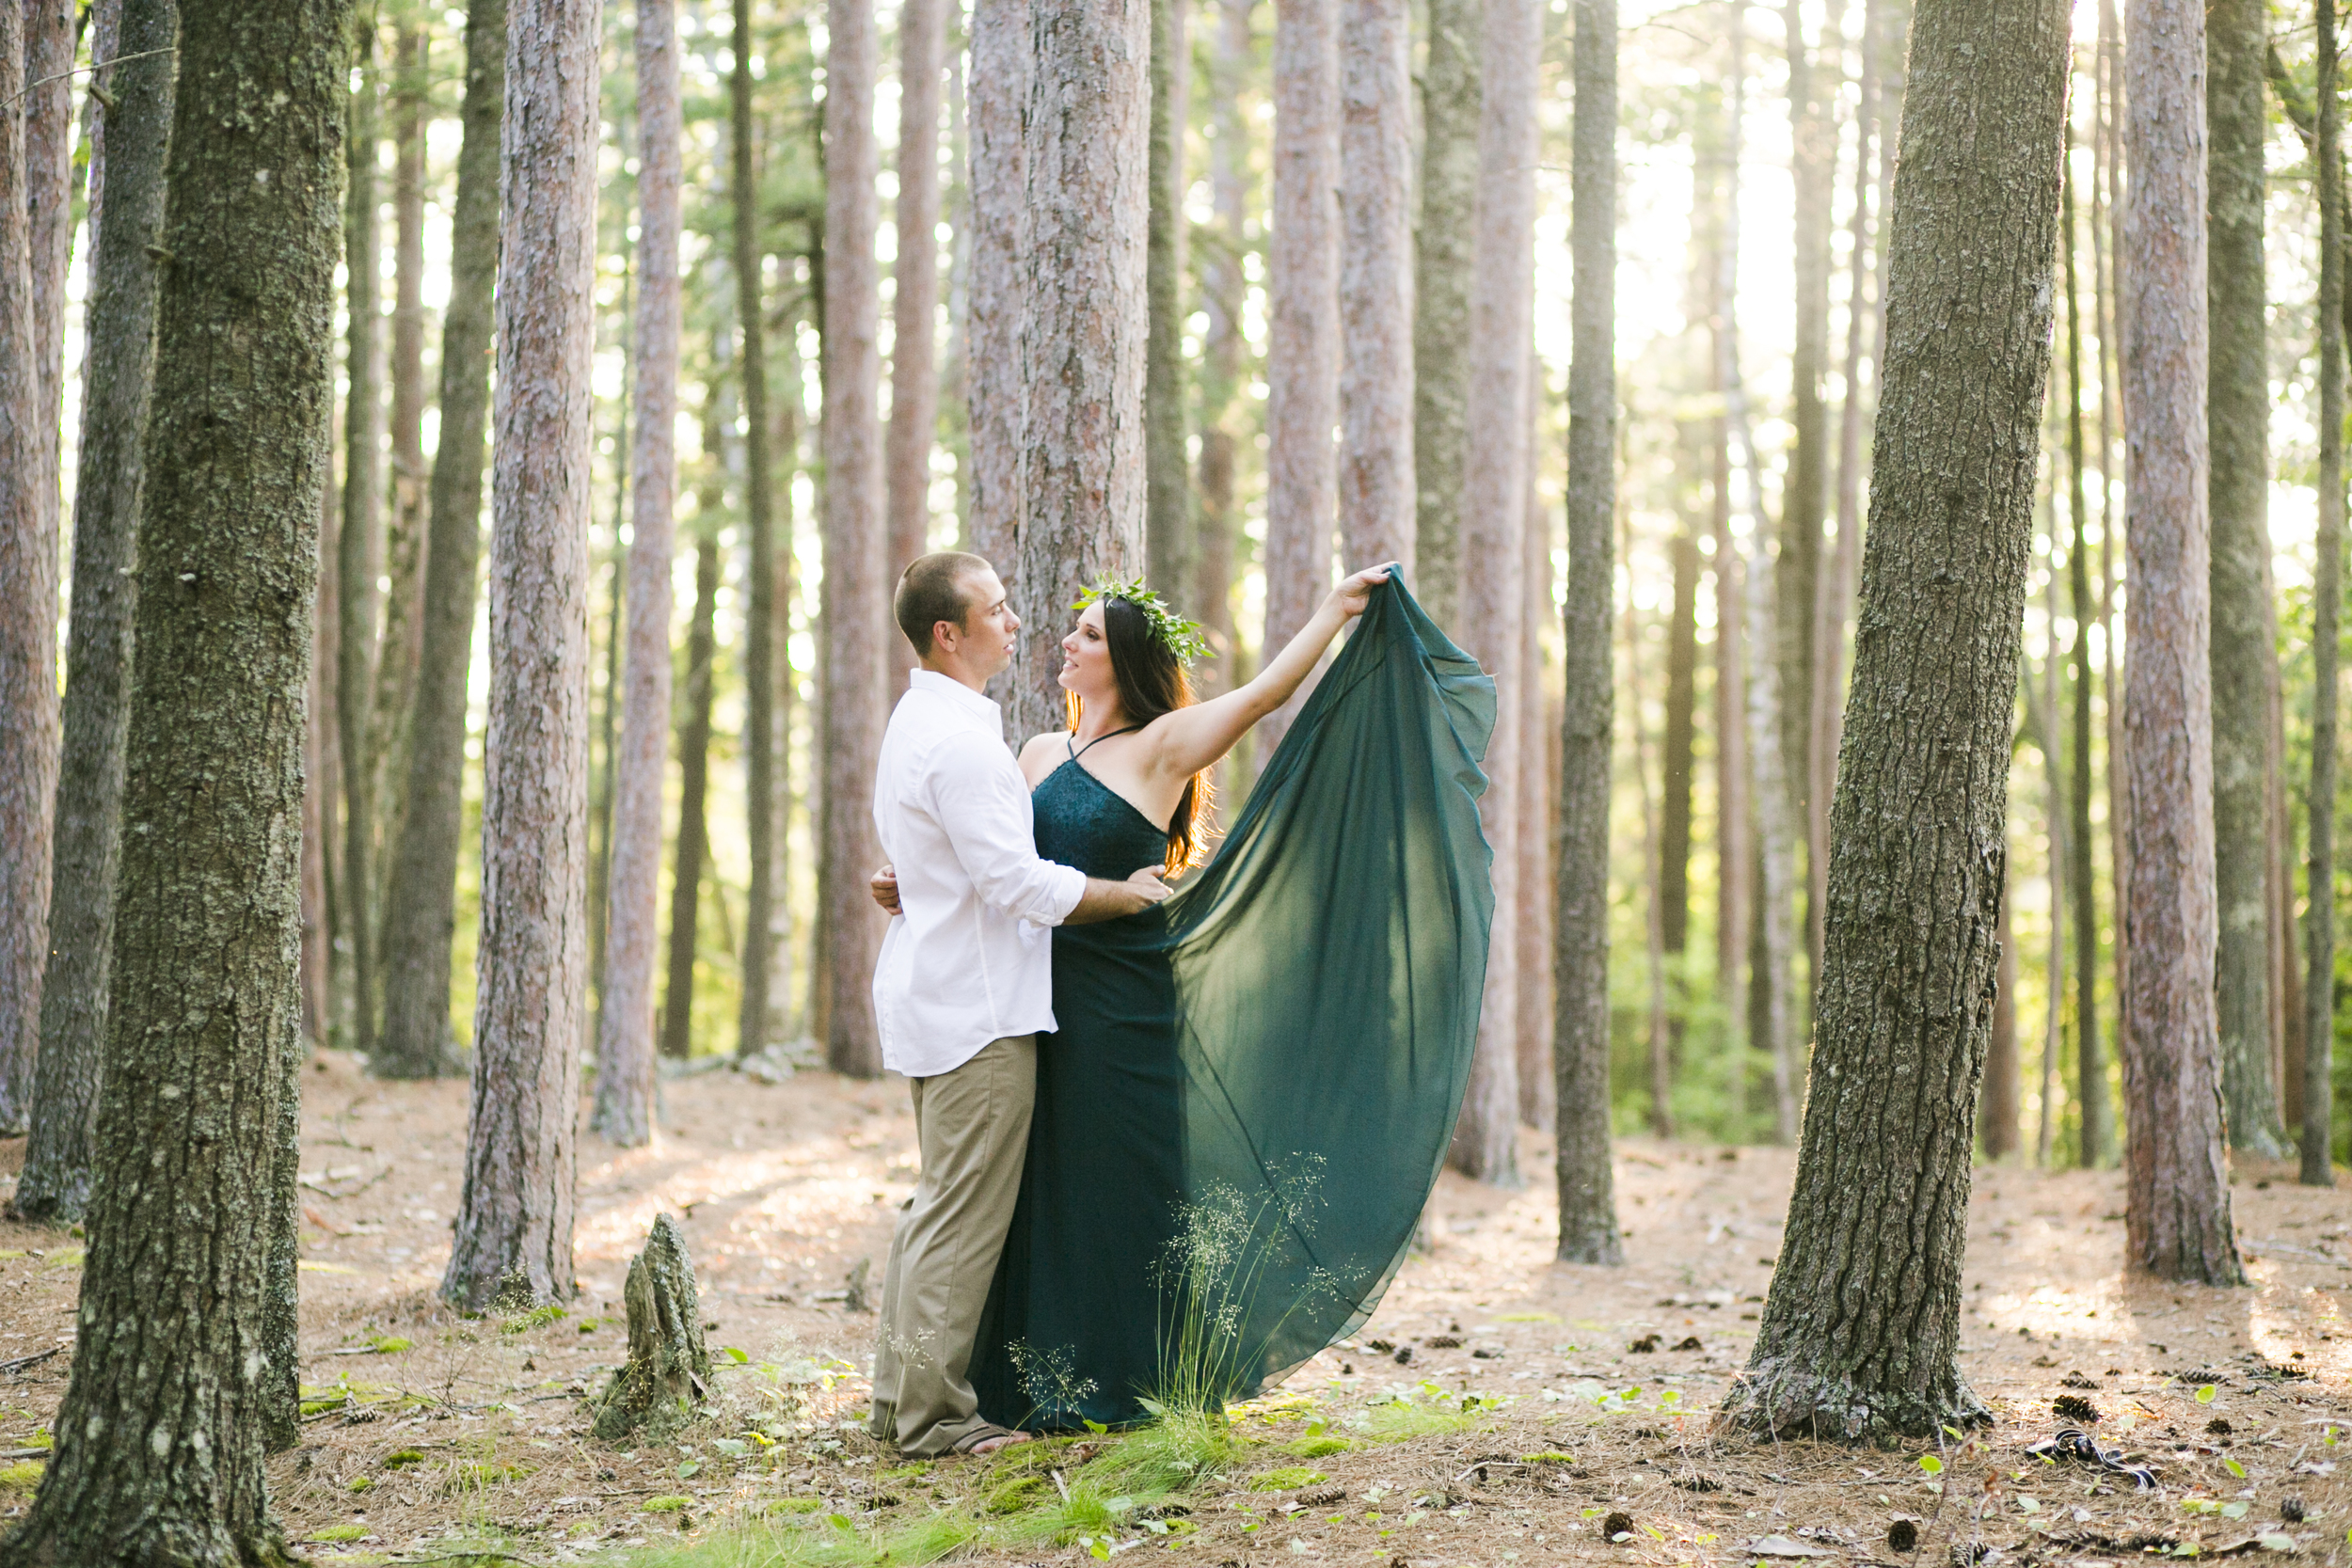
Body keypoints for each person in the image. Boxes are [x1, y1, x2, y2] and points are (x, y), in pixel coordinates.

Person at [875, 562, 1500, 1431]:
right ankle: (1014, 1379)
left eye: (1090, 633)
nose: (1066, 638)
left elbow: (1261, 696)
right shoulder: (1034, 752)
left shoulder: (1163, 744)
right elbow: (992, 862)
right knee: (1032, 1196)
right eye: (1074, 627)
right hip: (1028, 1001)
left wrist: (1332, 610)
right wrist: (912, 876)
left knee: (1128, 1182)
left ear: (1122, 661)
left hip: (1121, 1004)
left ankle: (1137, 1374)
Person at [864, 551, 1172, 1458]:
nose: (1017, 622)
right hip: (980, 1014)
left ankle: (897, 1401)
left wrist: (907, 883)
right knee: (958, 1222)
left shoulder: (921, 721)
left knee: (935, 1213)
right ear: (948, 633)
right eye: (997, 610)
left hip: (940, 994)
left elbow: (945, 864)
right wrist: (1134, 894)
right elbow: (1016, 883)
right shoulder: (960, 741)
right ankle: (933, 1420)